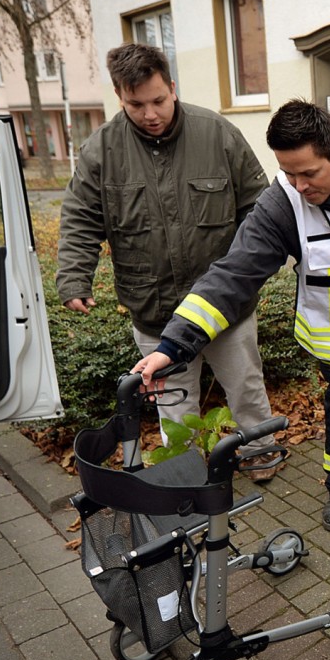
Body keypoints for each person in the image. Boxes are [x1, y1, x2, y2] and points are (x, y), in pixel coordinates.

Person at [133, 99, 330, 532]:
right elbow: (233, 275)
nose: (299, 185)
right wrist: (173, 346)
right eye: (288, 173)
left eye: (308, 173)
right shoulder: (280, 205)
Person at [56, 43, 281, 476]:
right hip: (154, 309)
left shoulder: (218, 134)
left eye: (158, 100)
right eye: (135, 104)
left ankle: (261, 452)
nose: (150, 113)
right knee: (172, 404)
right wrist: (73, 279)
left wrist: (251, 273)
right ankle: (185, 471)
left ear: (172, 87)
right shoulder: (101, 151)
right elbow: (80, 218)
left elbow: (260, 210)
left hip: (224, 309)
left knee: (246, 389)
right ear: (120, 98)